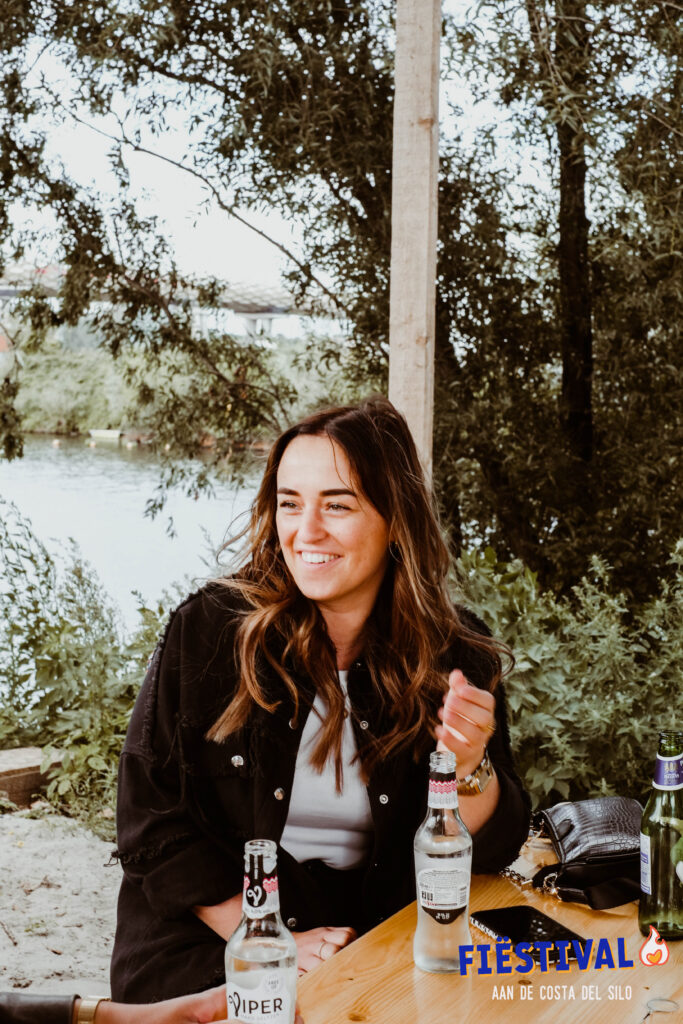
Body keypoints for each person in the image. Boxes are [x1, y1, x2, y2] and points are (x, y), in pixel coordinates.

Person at [111, 397, 530, 1003]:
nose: (306, 532)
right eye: (290, 504)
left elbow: (498, 844)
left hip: (375, 934)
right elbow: (149, 822)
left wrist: (470, 770)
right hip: (206, 938)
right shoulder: (209, 631)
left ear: (395, 518)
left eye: (337, 505)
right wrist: (267, 938)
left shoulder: (455, 654)